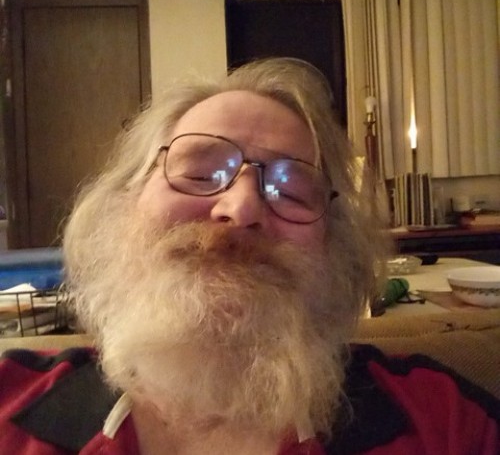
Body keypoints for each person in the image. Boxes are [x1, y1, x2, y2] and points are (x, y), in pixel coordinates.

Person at [0, 58, 498, 454]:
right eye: (199, 174)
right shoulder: (9, 399)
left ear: (335, 245)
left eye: (292, 190)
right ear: (122, 204)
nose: (240, 209)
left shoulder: (445, 423)